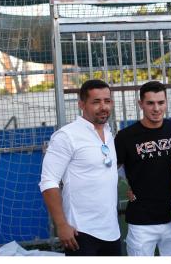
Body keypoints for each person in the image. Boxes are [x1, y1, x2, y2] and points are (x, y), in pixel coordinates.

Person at [39, 79, 121, 255]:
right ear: (81, 105)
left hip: (112, 231)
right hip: (80, 232)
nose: (103, 107)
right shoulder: (66, 136)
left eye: (107, 101)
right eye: (96, 102)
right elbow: (48, 182)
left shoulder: (108, 132)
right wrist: (61, 225)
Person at [114, 81, 171, 256]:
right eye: (150, 103)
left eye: (161, 102)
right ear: (140, 104)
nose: (156, 108)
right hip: (141, 220)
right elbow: (110, 170)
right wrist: (127, 184)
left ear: (166, 103)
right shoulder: (125, 137)